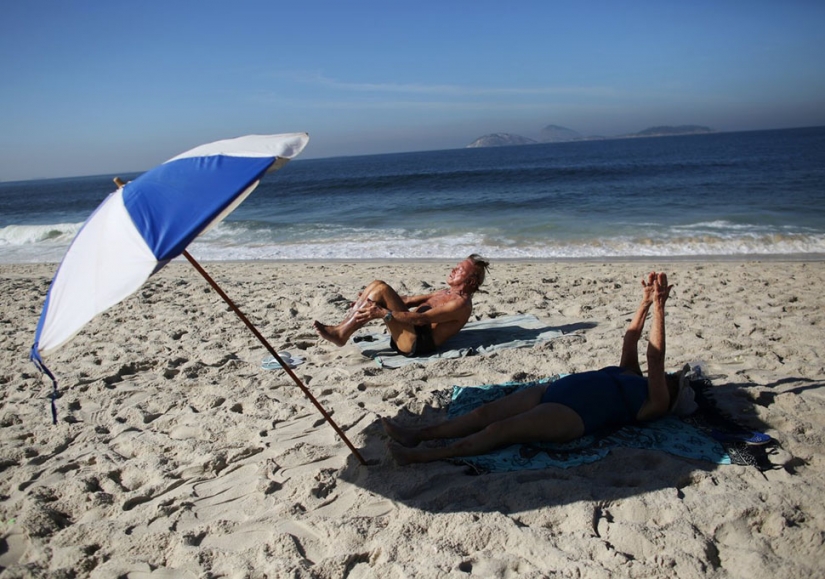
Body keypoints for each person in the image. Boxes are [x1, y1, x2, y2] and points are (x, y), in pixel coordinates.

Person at [383, 271, 696, 465]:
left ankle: (423, 456)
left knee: (498, 430)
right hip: (553, 390)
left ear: (673, 395)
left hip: (572, 415)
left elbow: (655, 358)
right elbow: (632, 339)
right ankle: (417, 435)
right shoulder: (632, 374)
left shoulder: (655, 403)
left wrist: (660, 306)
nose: (670, 376)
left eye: (674, 380)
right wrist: (644, 303)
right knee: (483, 415)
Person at [313, 254, 491, 357]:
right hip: (408, 330)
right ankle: (341, 330)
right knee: (378, 285)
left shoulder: (460, 305)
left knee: (381, 289)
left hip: (416, 344)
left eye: (459, 270)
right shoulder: (446, 292)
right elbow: (408, 300)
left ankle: (340, 334)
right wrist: (369, 300)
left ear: (471, 281)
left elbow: (421, 319)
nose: (453, 270)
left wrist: (384, 313)